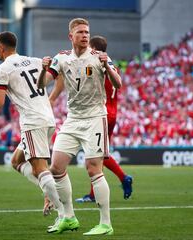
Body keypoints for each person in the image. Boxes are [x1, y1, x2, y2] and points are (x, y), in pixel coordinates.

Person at [38, 18, 122, 235]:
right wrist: (42, 69)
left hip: (95, 117)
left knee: (93, 168)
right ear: (71, 36)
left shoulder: (98, 57)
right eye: (81, 32)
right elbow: (41, 84)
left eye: (87, 32)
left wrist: (106, 66)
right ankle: (69, 217)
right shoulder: (62, 58)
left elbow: (118, 84)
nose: (85, 35)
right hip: (73, 119)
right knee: (56, 167)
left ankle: (105, 223)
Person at [0, 31, 65, 227]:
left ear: (1, 47)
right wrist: (53, 97)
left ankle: (64, 213)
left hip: (33, 122)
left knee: (39, 168)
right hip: (48, 118)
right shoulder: (34, 60)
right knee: (17, 161)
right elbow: (59, 77)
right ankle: (47, 191)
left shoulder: (2, 69)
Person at [48, 36, 133, 203]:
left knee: (96, 156)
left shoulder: (95, 63)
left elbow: (85, 79)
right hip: (112, 113)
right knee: (98, 155)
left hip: (99, 113)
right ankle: (96, 193)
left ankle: (122, 178)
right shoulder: (110, 65)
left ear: (94, 48)